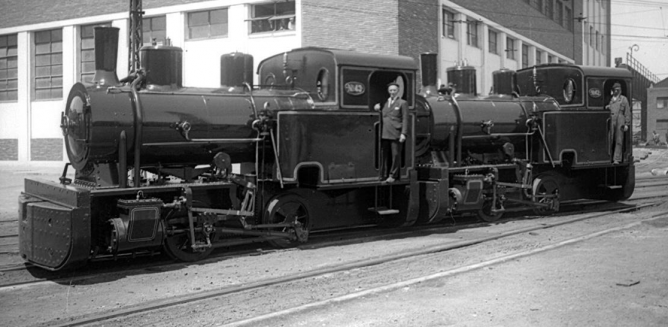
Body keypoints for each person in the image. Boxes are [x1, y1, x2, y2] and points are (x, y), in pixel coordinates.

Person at [374, 82, 409, 183]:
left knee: (395, 155)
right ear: (388, 91)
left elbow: (405, 119)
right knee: (384, 154)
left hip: (396, 132)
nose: (392, 92)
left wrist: (403, 133)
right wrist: (377, 109)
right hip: (385, 132)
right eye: (391, 90)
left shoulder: (402, 103)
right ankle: (383, 174)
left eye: (394, 90)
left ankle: (393, 175)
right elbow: (384, 115)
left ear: (398, 91)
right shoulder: (385, 103)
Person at [607, 82, 631, 164]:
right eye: (615, 89)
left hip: (620, 119)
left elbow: (627, 111)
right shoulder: (610, 100)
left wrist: (627, 124)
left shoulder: (624, 99)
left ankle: (617, 159)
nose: (616, 91)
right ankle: (609, 157)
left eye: (618, 89)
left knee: (619, 139)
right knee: (610, 138)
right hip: (611, 118)